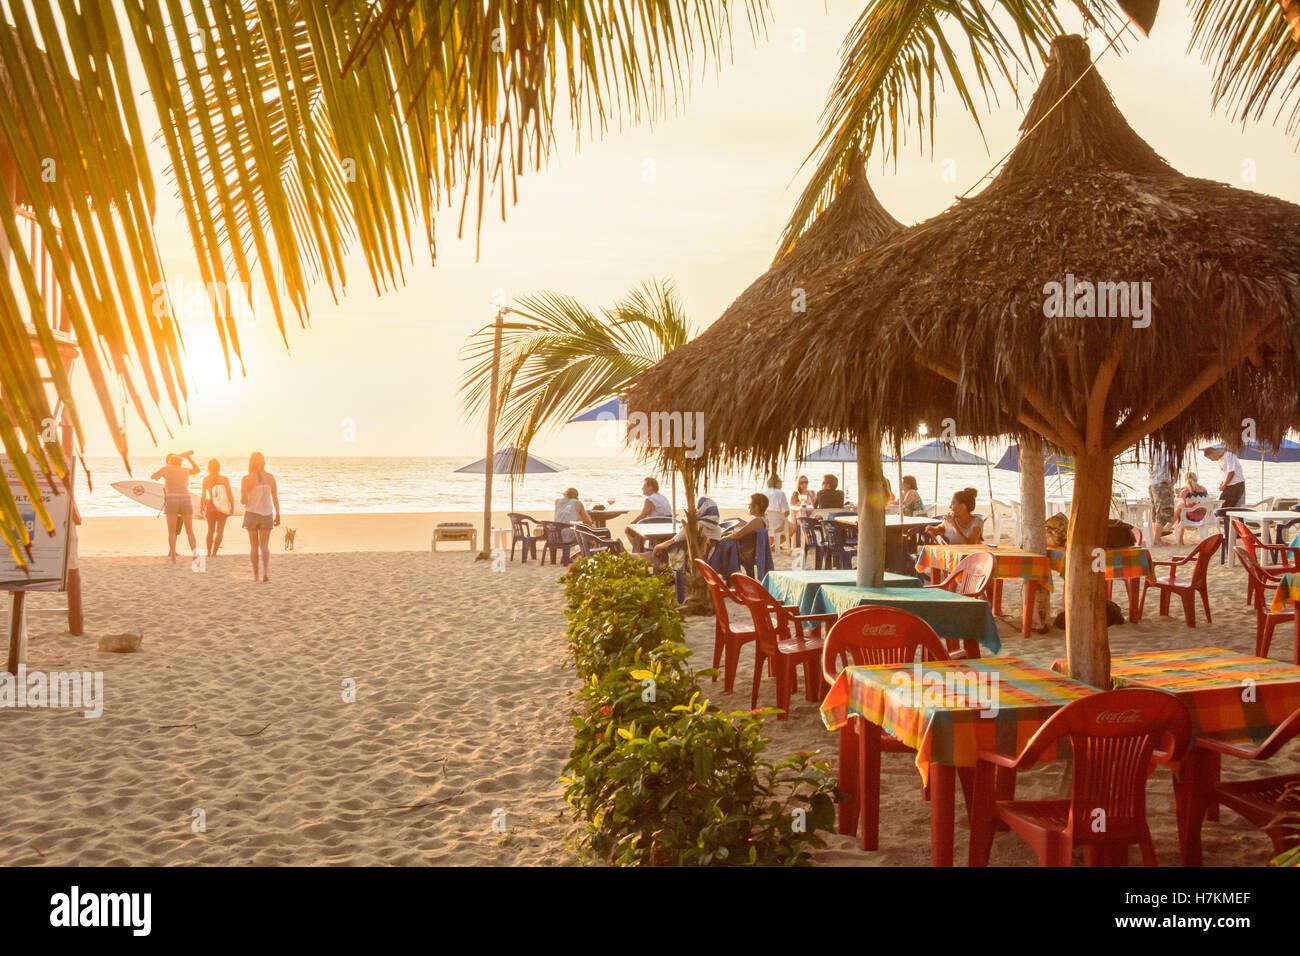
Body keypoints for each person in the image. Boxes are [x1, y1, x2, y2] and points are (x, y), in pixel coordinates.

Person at [151, 451, 200, 562]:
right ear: (181, 462)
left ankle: (173, 556)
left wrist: (160, 472)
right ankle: (195, 555)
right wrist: (189, 458)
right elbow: (197, 470)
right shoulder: (185, 470)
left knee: (171, 531)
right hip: (185, 499)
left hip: (172, 499)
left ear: (170, 462)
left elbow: (153, 477)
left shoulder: (166, 468)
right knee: (190, 530)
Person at [651, 496, 722, 569]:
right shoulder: (718, 529)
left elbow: (673, 541)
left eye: (697, 509)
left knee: (659, 552)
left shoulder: (693, 527)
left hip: (689, 564)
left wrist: (657, 547)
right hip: (708, 563)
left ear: (701, 510)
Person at [241, 451, 281, 582]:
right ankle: (266, 572)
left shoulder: (246, 478)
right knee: (264, 546)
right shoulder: (271, 477)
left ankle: (255, 575)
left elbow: (244, 500)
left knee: (254, 546)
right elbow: (275, 497)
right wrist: (278, 514)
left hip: (252, 514)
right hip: (267, 514)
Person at [625, 476, 672, 553]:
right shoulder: (663, 497)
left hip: (656, 529)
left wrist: (630, 524)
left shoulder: (650, 499)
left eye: (644, 486)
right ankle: (643, 551)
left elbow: (642, 516)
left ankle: (640, 552)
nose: (642, 488)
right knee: (640, 531)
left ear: (650, 487)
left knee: (628, 531)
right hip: (667, 528)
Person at [721, 493, 769, 567]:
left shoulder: (757, 521)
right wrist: (743, 522)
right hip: (749, 550)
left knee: (719, 542)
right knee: (727, 535)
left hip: (744, 552)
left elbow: (736, 536)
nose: (748, 506)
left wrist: (722, 537)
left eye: (750, 504)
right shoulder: (763, 520)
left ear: (756, 507)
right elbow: (750, 528)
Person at [199, 458, 235, 557]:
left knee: (210, 531)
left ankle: (209, 552)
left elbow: (203, 494)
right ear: (219, 468)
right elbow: (229, 494)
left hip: (210, 505)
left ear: (209, 468)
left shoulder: (206, 479)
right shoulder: (224, 479)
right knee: (220, 531)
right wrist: (232, 507)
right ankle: (214, 553)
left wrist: (201, 506)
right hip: (222, 507)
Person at [1148, 443, 1175, 544]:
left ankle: (1157, 538)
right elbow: (1169, 464)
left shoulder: (1154, 448)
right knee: (1164, 511)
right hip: (1162, 484)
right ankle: (1157, 539)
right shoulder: (1167, 447)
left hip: (1153, 483)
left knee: (1157, 511)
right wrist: (1173, 478)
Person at [1173, 472, 1210, 546]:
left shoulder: (1185, 491)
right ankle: (1172, 525)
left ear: (1186, 480)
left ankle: (1172, 525)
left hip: (1192, 517)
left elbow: (1185, 504)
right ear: (1196, 479)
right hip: (1204, 516)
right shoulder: (1204, 489)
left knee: (1181, 506)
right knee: (1182, 509)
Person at [762, 475, 789, 550]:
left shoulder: (762, 494)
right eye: (780, 482)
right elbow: (786, 512)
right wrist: (782, 518)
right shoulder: (781, 493)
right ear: (777, 483)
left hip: (765, 523)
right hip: (777, 524)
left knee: (772, 528)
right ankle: (774, 546)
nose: (781, 484)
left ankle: (771, 546)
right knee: (792, 527)